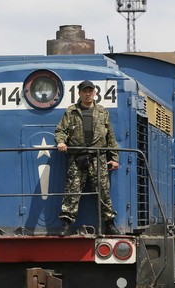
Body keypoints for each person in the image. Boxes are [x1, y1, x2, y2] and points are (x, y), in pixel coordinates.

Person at [55, 80, 120, 235]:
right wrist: (61, 142)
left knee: (103, 191)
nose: (88, 93)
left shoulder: (103, 112)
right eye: (85, 91)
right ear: (80, 93)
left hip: (99, 157)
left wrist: (115, 158)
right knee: (72, 191)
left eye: (90, 91)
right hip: (77, 157)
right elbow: (60, 130)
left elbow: (110, 136)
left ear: (94, 93)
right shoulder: (71, 112)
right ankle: (65, 224)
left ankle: (109, 224)